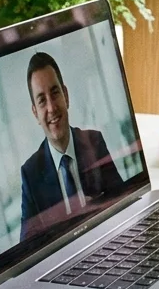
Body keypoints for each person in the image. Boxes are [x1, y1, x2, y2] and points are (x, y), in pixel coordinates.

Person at [18, 51, 124, 243]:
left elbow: (124, 203)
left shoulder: (95, 142)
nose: (51, 108)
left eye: (55, 93)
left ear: (66, 96)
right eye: (42, 100)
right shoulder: (30, 173)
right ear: (35, 113)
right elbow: (26, 248)